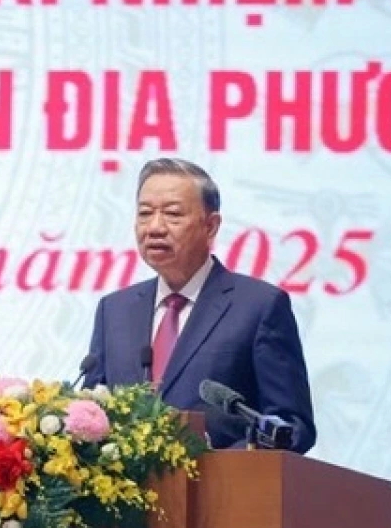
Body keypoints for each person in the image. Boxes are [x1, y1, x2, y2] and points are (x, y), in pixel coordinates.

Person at [84, 157, 316, 453]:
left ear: (210, 226)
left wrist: (218, 464)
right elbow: (89, 415)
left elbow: (293, 427)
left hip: (223, 481)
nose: (154, 227)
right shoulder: (114, 310)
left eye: (172, 214)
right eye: (145, 213)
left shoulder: (259, 307)